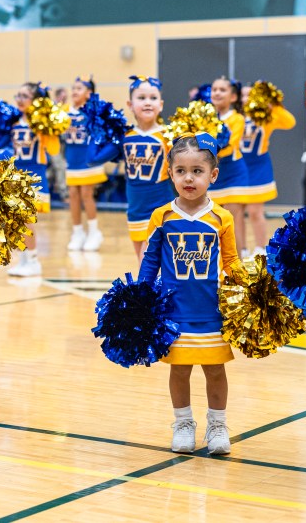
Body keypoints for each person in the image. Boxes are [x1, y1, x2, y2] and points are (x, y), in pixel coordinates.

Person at [138, 133, 242, 455]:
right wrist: (142, 295)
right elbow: (151, 259)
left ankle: (217, 425)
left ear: (213, 175)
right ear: (170, 173)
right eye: (181, 170)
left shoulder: (221, 217)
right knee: (179, 370)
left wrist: (251, 289)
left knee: (215, 370)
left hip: (211, 312)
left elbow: (231, 261)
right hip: (175, 312)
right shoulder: (163, 216)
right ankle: (183, 423)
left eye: (197, 171)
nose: (189, 178)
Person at [3, 81, 61, 277]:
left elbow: (54, 150)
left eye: (24, 96)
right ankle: (24, 259)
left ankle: (34, 260)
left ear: (35, 101)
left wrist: (48, 129)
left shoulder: (41, 124)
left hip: (35, 175)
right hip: (15, 175)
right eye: (17, 95)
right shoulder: (13, 122)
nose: (19, 99)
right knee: (15, 221)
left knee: (27, 220)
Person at [122, 76, 174, 259]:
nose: (147, 103)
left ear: (160, 104)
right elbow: (92, 160)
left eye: (153, 98)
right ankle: (146, 289)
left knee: (151, 259)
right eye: (141, 98)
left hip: (160, 206)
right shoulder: (125, 135)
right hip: (135, 208)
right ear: (130, 104)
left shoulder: (169, 134)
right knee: (142, 262)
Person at [239, 92, 296, 255]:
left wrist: (274, 104)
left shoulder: (266, 117)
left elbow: (289, 122)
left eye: (249, 95)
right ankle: (240, 249)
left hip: (258, 166)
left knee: (255, 211)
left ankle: (260, 249)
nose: (246, 98)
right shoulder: (234, 115)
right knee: (236, 212)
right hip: (238, 167)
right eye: (242, 94)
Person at [208, 77, 250, 255]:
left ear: (233, 97)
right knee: (213, 222)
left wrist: (204, 147)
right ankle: (218, 266)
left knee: (233, 221)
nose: (217, 92)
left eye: (222, 90)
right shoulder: (206, 118)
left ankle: (237, 267)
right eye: (214, 89)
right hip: (214, 175)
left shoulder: (237, 118)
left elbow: (229, 146)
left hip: (234, 174)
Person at [64, 76, 104, 252]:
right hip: (72, 158)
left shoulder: (93, 111)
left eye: (79, 88)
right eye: (73, 88)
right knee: (73, 194)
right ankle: (77, 232)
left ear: (89, 93)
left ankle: (94, 232)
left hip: (88, 159)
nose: (74, 91)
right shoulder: (64, 111)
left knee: (87, 194)